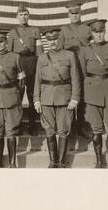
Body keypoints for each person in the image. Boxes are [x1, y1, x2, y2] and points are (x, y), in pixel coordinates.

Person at [78, 19, 108, 168]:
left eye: (101, 31)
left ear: (105, 32)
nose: (99, 35)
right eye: (96, 32)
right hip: (92, 93)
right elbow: (82, 73)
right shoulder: (85, 51)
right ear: (91, 33)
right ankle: (99, 161)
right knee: (96, 128)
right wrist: (88, 88)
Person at [33, 28, 81, 168]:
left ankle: (61, 162)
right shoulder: (42, 57)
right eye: (49, 40)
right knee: (49, 130)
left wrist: (75, 98)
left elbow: (76, 79)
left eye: (55, 39)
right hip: (46, 98)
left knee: (63, 130)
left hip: (65, 98)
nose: (53, 42)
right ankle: (52, 161)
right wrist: (36, 99)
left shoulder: (70, 55)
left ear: (60, 39)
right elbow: (37, 80)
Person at [0, 31, 25, 168]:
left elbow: (21, 79)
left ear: (6, 42)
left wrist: (16, 94)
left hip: (11, 97)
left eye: (1, 42)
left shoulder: (15, 57)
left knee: (11, 131)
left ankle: (12, 162)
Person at [7, 4, 44, 136]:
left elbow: (40, 51)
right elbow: (9, 53)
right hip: (19, 65)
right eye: (21, 15)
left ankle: (32, 125)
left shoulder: (35, 30)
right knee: (17, 95)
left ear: (29, 16)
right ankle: (17, 125)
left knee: (33, 95)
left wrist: (40, 66)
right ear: (17, 17)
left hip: (33, 64)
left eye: (25, 14)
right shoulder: (12, 33)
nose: (23, 17)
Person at [58, 2, 92, 138]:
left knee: (82, 95)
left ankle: (81, 125)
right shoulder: (64, 30)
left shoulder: (87, 29)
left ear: (80, 14)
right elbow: (59, 50)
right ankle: (70, 125)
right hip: (69, 66)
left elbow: (92, 48)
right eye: (72, 14)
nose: (75, 16)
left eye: (77, 13)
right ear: (69, 15)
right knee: (70, 94)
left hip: (83, 66)